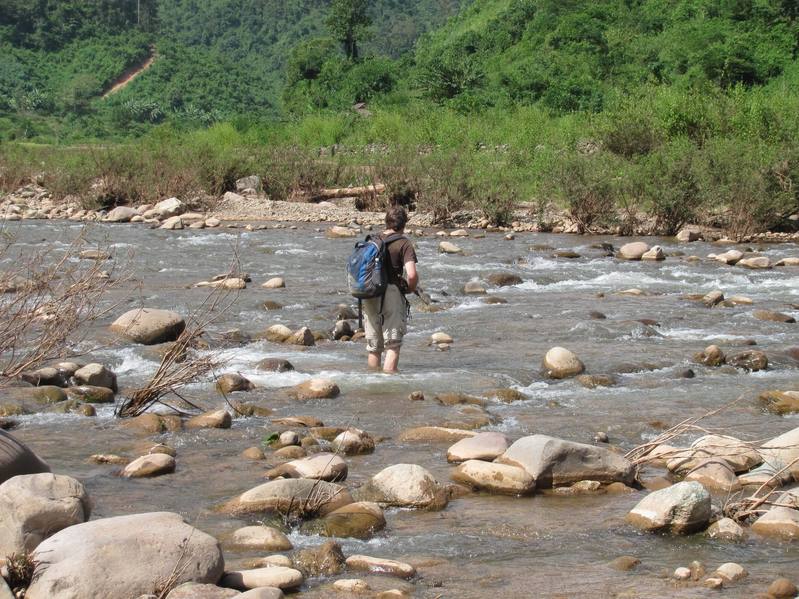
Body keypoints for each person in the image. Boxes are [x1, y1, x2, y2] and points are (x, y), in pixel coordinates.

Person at [362, 205, 418, 373]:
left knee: (374, 346)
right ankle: (388, 385)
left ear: (386, 222)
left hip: (370, 292)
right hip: (391, 293)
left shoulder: (372, 239)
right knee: (393, 344)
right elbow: (412, 275)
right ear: (403, 224)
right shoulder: (404, 243)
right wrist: (409, 289)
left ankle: (373, 383)